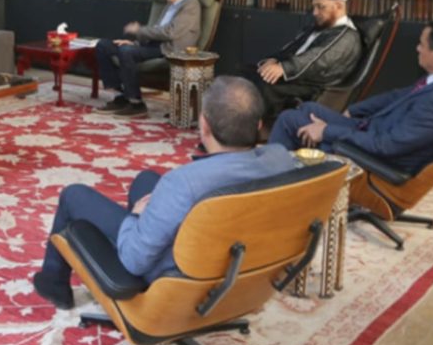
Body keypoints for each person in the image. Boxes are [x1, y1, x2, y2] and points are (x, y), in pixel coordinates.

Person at [32, 76, 297, 309]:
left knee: (74, 195)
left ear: (204, 126)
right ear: (259, 125)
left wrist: (136, 218)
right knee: (146, 180)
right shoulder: (281, 159)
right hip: (236, 260)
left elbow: (134, 259)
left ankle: (54, 283)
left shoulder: (184, 182)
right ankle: (141, 236)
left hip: (180, 277)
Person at [269, 20, 433, 176]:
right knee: (309, 109)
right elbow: (395, 96)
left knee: (289, 120)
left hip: (376, 159)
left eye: (422, 44)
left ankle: (273, 185)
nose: (417, 48)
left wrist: (326, 131)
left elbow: (387, 146)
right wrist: (353, 111)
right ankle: (293, 175)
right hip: (373, 131)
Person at [245, 0, 362, 120]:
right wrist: (274, 59)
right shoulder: (321, 26)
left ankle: (256, 126)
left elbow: (317, 59)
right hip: (298, 76)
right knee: (247, 72)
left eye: (321, 7)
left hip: (313, 85)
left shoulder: (347, 36)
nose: (315, 12)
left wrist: (283, 68)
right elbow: (291, 47)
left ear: (338, 6)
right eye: (314, 6)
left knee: (264, 85)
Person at [94, 0, 201, 118]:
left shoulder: (191, 5)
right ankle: (121, 97)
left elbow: (170, 32)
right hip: (153, 45)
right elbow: (156, 29)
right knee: (103, 45)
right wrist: (135, 43)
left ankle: (136, 104)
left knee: (126, 52)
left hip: (169, 49)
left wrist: (139, 30)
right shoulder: (170, 4)